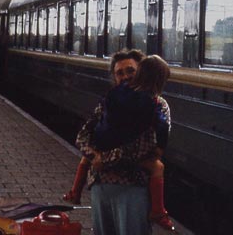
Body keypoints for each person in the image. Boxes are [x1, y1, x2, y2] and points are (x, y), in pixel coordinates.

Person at [65, 50, 174, 234]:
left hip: (132, 188)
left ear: (141, 71)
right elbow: (83, 136)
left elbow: (143, 147)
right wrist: (93, 155)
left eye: (131, 71)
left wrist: (102, 159)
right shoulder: (110, 100)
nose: (125, 77)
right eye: (119, 73)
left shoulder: (156, 103)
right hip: (100, 187)